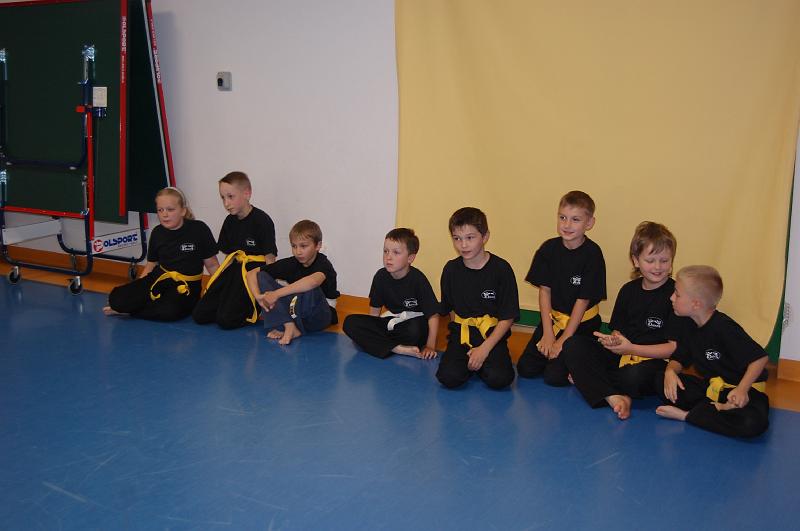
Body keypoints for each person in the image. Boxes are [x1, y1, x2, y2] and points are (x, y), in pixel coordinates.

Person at [563, 222, 689, 419]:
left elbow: (673, 348)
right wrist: (614, 341)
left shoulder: (675, 296)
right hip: (623, 356)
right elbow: (618, 331)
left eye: (664, 261)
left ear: (672, 261)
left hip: (652, 363)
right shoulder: (628, 290)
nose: (658, 267)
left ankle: (593, 383)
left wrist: (632, 349)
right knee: (573, 345)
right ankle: (614, 397)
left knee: (633, 377)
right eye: (650, 260)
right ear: (636, 261)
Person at [654, 265, 769, 438]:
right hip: (713, 390)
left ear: (696, 304)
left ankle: (687, 415)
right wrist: (670, 372)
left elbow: (760, 358)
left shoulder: (724, 327)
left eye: (677, 294)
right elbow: (680, 357)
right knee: (659, 380)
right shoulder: (688, 324)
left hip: (744, 392)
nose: (671, 297)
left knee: (751, 423)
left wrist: (741, 390)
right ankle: (714, 412)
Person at [516, 191, 606, 386]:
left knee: (554, 377)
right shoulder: (548, 249)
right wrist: (548, 334)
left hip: (581, 325)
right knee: (526, 369)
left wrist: (564, 339)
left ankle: (583, 361)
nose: (567, 225)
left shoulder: (592, 254)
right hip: (554, 320)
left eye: (575, 219)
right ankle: (561, 358)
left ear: (589, 223)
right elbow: (544, 291)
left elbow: (583, 300)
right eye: (562, 217)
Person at [104, 187, 219, 321]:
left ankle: (132, 311)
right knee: (117, 299)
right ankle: (129, 307)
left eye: (170, 209)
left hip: (185, 287)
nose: (164, 214)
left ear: (183, 211)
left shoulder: (199, 229)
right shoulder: (157, 232)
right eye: (160, 210)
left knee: (168, 312)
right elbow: (150, 265)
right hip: (160, 279)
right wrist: (138, 289)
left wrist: (221, 291)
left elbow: (212, 265)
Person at [436, 207, 518, 390]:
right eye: (457, 238)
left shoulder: (501, 269)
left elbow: (508, 316)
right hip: (462, 333)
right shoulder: (451, 270)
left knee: (500, 379)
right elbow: (450, 309)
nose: (463, 245)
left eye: (470, 238)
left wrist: (484, 349)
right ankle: (472, 363)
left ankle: (480, 362)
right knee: (448, 377)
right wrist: (458, 342)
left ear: (485, 237)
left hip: (490, 334)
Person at [192, 171, 277, 329]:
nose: (226, 203)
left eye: (231, 197)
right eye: (223, 198)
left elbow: (270, 260)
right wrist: (222, 284)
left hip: (253, 275)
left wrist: (268, 292)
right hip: (235, 271)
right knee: (200, 315)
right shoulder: (229, 221)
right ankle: (227, 307)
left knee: (226, 321)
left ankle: (250, 310)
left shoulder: (261, 220)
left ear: (246, 194)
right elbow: (229, 257)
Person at [343, 228, 439, 359]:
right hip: (391, 324)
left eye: (396, 252)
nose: (388, 257)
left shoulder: (417, 279)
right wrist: (371, 328)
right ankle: (398, 349)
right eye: (385, 251)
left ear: (410, 258)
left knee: (415, 330)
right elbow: (374, 313)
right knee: (350, 322)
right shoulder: (380, 276)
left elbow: (433, 315)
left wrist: (430, 346)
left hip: (411, 327)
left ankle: (379, 344)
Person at [245, 219, 339, 345]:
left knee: (309, 288)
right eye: (294, 246)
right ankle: (289, 325)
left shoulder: (323, 263)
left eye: (303, 246)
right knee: (262, 276)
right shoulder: (291, 263)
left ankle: (287, 325)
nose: (298, 251)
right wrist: (258, 297)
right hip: (295, 310)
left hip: (319, 315)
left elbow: (312, 282)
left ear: (318, 246)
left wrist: (276, 294)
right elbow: (251, 274)